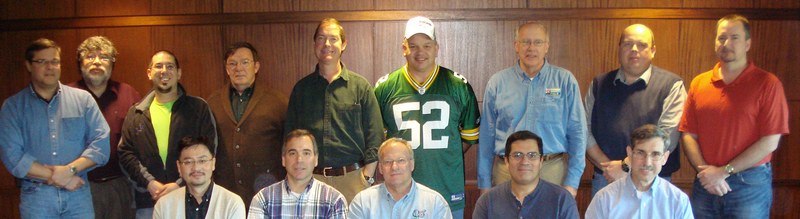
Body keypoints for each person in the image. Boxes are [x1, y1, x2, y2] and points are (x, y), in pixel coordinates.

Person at [679, 14, 789, 218]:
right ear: (715, 43)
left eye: (735, 37)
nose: (726, 43)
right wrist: (707, 173)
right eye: (721, 38)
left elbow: (770, 142)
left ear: (748, 44)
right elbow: (688, 135)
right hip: (706, 182)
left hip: (750, 183)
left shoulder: (768, 84)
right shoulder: (699, 83)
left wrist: (723, 171)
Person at [374, 16, 480, 219]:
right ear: (404, 47)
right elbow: (380, 142)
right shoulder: (385, 88)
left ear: (437, 48)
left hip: (446, 188)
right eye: (413, 46)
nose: (420, 52)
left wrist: (441, 155)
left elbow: (467, 139)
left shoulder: (458, 86)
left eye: (426, 45)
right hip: (400, 191)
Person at [0, 38, 110, 218]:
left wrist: (69, 171)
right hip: (36, 197)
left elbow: (102, 145)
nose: (50, 67)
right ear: (29, 65)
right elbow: (12, 156)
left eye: (54, 61)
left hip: (78, 194)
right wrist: (61, 178)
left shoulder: (83, 100)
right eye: (42, 62)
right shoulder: (13, 107)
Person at [478, 21, 586, 197]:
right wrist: (484, 183)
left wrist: (572, 183)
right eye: (525, 42)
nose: (531, 48)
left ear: (547, 47)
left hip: (551, 171)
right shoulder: (498, 83)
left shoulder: (565, 81)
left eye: (538, 42)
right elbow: (486, 136)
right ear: (516, 46)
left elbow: (578, 133)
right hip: (507, 171)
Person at [285, 18, 384, 203]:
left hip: (353, 180)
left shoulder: (360, 87)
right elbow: (290, 137)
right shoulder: (302, 89)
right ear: (314, 43)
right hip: (311, 179)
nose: (327, 44)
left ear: (343, 44)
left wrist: (367, 178)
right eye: (321, 38)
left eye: (333, 39)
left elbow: (375, 136)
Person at [584, 24, 686, 197]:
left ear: (653, 51)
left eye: (642, 45)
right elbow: (583, 130)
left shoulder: (671, 86)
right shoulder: (599, 84)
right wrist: (608, 167)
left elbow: (666, 137)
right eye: (627, 44)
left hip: (653, 180)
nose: (634, 50)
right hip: (607, 179)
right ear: (619, 49)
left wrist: (625, 166)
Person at [118, 51, 218, 219]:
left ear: (178, 73)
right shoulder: (136, 113)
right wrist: (149, 184)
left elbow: (210, 150)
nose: (164, 71)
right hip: (149, 201)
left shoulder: (198, 108)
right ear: (149, 73)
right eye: (158, 66)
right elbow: (126, 154)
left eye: (170, 66)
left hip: (192, 199)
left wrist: (180, 184)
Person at [67, 36, 141, 219]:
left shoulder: (129, 94)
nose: (97, 62)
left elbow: (140, 141)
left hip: (120, 186)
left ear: (112, 64)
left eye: (104, 57)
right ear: (80, 62)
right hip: (79, 185)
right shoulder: (65, 96)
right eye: (90, 56)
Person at [208, 42, 288, 209]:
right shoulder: (212, 104)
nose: (239, 68)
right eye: (232, 63)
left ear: (256, 66)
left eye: (245, 62)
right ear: (226, 68)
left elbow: (289, 148)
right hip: (225, 195)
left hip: (267, 195)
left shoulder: (278, 102)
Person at [586, 124, 693, 219]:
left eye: (655, 154)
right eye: (641, 152)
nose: (647, 162)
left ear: (665, 158)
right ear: (630, 153)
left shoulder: (678, 201)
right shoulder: (604, 198)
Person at [473, 131, 579, 219]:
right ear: (506, 161)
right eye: (517, 155)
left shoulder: (562, 200)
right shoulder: (488, 201)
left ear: (541, 161)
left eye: (532, 155)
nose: (524, 161)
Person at [249, 129, 348, 219]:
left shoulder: (334, 201)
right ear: (283, 159)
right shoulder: (263, 200)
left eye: (306, 153)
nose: (299, 160)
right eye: (293, 153)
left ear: (316, 159)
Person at [348, 138, 452, 219]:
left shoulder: (434, 203)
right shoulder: (363, 201)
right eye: (388, 161)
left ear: (412, 164)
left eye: (401, 160)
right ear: (380, 167)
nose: (394, 167)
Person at [153, 136, 245, 219]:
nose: (196, 168)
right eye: (188, 162)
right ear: (179, 166)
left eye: (202, 161)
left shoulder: (232, 203)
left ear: (213, 163)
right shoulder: (164, 205)